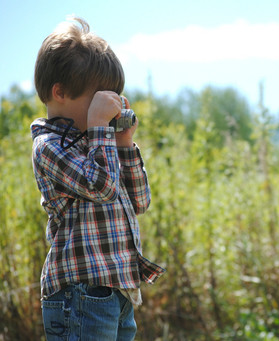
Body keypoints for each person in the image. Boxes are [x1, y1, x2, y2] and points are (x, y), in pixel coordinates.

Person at [31, 16, 165, 340]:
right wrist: (100, 129)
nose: (107, 110)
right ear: (59, 92)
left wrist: (123, 143)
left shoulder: (98, 143)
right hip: (80, 294)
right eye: (98, 101)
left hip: (118, 293)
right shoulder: (48, 147)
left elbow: (140, 201)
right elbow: (101, 187)